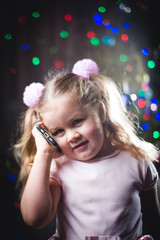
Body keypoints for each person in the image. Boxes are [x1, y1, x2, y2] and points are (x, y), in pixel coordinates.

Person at [14, 59, 160, 240]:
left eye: (77, 122)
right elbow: (34, 218)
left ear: (100, 112)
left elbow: (154, 220)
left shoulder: (137, 161)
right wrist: (43, 153)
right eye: (58, 131)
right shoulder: (58, 167)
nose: (72, 136)